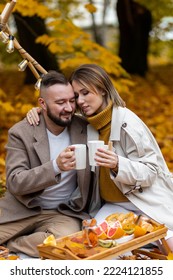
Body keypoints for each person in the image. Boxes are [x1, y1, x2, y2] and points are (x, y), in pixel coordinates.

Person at [27, 64, 173, 251]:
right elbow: (60, 112)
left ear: (102, 90)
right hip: (115, 207)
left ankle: (144, 233)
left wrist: (118, 164)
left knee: (168, 249)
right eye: (77, 96)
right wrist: (41, 111)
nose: (80, 101)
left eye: (86, 93)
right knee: (94, 245)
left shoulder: (128, 123)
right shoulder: (89, 124)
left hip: (146, 203)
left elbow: (151, 171)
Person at [0, 71, 99, 257]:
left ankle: (15, 243)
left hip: (62, 213)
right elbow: (14, 182)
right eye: (60, 103)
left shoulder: (86, 128)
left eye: (71, 100)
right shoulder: (21, 133)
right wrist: (56, 166)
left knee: (67, 246)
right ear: (42, 104)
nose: (69, 108)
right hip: (22, 209)